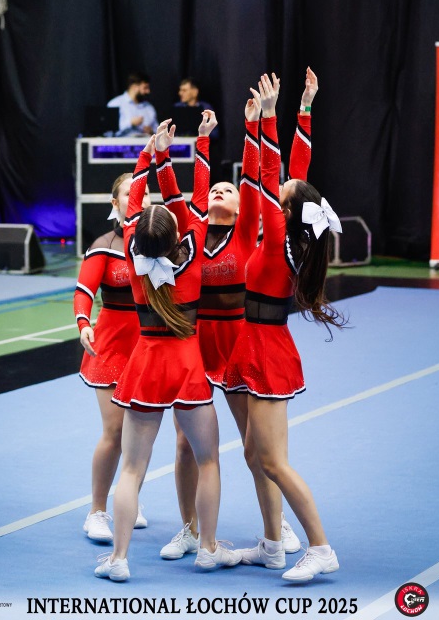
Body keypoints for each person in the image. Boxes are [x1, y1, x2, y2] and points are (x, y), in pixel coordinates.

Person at [154, 69, 320, 562]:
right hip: (197, 346)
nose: (220, 192)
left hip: (241, 346)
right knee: (185, 446)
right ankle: (190, 529)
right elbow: (181, 194)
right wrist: (186, 147)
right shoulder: (193, 230)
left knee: (256, 450)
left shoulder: (249, 232)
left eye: (229, 190)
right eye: (216, 191)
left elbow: (271, 179)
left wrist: (264, 124)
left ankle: (276, 525)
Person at [93, 111, 243, 582]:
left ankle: (119, 559)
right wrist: (200, 143)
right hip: (187, 367)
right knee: (208, 459)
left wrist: (148, 153)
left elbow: (135, 204)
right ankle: (208, 548)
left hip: (145, 366)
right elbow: (194, 198)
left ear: (136, 235)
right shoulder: (193, 252)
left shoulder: (133, 255)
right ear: (178, 234)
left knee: (132, 469)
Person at [225, 73, 348, 584]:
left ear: (288, 210)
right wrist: (305, 108)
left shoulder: (279, 239)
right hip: (253, 342)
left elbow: (278, 168)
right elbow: (297, 171)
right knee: (253, 454)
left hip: (267, 350)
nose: (277, 189)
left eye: (282, 194)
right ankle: (273, 545)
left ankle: (321, 548)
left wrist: (269, 117)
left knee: (273, 461)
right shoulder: (288, 232)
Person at [74, 173, 152, 544]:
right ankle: (97, 511)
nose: (139, 198)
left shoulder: (162, 244)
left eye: (145, 192)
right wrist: (83, 323)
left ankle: (128, 498)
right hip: (111, 345)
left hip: (150, 345)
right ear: (115, 203)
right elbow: (83, 291)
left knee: (141, 434)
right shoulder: (104, 245)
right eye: (130, 192)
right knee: (116, 430)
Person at [107, 72, 158, 136]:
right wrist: (130, 123)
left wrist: (151, 131)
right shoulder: (115, 104)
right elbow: (108, 132)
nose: (148, 91)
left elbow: (157, 131)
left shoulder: (149, 107)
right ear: (134, 87)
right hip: (123, 142)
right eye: (145, 88)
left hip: (146, 141)